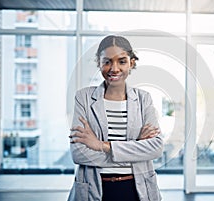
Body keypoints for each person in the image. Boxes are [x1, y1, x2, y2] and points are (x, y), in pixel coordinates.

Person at [68, 35, 163, 201]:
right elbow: (79, 154)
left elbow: (155, 148)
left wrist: (102, 146)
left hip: (136, 189)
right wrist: (135, 148)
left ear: (131, 63)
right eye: (107, 61)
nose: (114, 68)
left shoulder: (143, 99)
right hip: (95, 188)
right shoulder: (83, 97)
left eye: (122, 61)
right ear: (99, 62)